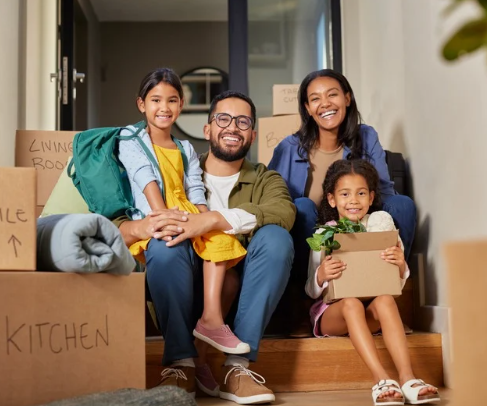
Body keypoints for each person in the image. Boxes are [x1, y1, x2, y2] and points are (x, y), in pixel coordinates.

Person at [117, 88, 296, 404]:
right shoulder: (175, 166)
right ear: (207, 129)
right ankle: (181, 364)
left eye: (242, 122)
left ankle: (236, 369)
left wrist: (213, 220)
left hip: (243, 293)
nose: (232, 128)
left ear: (253, 134)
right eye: (223, 119)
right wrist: (143, 226)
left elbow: (283, 212)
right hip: (179, 282)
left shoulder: (266, 179)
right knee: (163, 244)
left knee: (277, 238)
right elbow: (121, 218)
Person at [118, 68, 250, 355]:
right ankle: (183, 347)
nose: (164, 108)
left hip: (185, 211)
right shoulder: (131, 137)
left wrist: (205, 220)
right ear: (141, 104)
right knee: (168, 248)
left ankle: (211, 319)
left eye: (172, 100)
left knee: (222, 241)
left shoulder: (185, 147)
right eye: (155, 100)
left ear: (181, 105)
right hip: (157, 212)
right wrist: (160, 215)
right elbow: (143, 176)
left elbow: (194, 188)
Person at [268, 69, 416, 308]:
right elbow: (276, 204)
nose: (325, 103)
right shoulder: (288, 147)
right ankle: (302, 303)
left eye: (332, 95)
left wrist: (370, 222)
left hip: (360, 224)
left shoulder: (366, 136)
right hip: (313, 238)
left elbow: (384, 192)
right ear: (307, 108)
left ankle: (387, 289)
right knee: (302, 206)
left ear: (347, 98)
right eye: (315, 98)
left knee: (402, 205)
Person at [306, 159, 439, 406]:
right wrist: (321, 275)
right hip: (334, 313)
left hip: (370, 310)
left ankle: (408, 378)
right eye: (345, 194)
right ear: (332, 199)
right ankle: (381, 379)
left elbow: (396, 284)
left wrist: (399, 264)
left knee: (386, 300)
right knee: (351, 303)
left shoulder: (382, 230)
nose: (354, 200)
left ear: (371, 197)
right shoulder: (325, 234)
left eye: (361, 193)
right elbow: (311, 289)